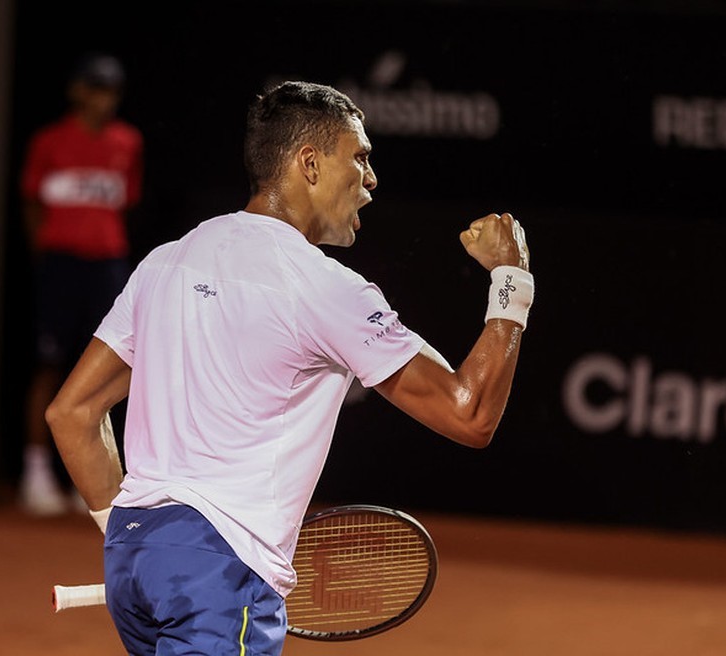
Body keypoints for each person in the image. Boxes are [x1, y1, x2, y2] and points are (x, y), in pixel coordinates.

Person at [46, 80, 533, 654]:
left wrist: (137, 538)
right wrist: (512, 280)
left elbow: (72, 413)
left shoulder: (165, 263)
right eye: (360, 157)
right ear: (309, 163)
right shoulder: (323, 286)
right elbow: (469, 413)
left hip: (135, 562)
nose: (371, 180)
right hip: (220, 574)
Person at [17, 52, 144, 516]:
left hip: (108, 266)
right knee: (50, 368)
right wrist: (48, 252)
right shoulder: (49, 142)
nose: (103, 99)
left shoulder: (128, 142)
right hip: (59, 266)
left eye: (111, 90)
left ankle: (94, 480)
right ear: (77, 91)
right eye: (95, 88)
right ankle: (35, 476)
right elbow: (31, 203)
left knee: (106, 373)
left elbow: (124, 202)